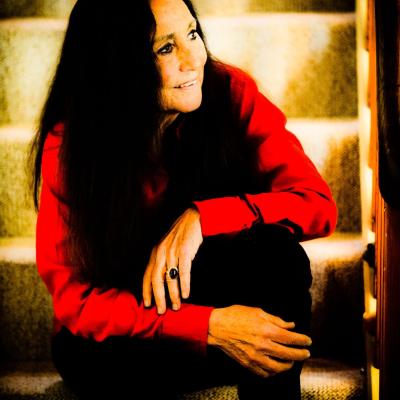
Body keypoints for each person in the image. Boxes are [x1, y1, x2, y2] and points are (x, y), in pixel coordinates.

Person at [29, 0, 337, 398]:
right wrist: (206, 325)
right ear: (117, 65)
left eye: (192, 33)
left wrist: (203, 218)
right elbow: (77, 301)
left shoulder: (230, 92)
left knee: (278, 255)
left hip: (215, 306)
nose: (194, 59)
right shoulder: (71, 146)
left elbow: (315, 204)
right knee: (96, 361)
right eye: (165, 48)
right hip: (123, 337)